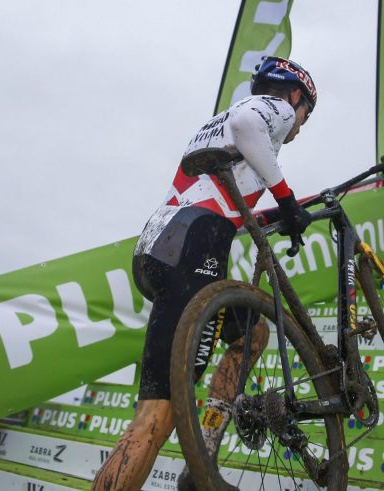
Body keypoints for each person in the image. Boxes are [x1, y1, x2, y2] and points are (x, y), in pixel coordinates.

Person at [91, 56, 317, 491]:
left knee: (251, 335)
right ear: (295, 95)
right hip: (196, 244)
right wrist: (288, 200)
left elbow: (220, 195)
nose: (300, 126)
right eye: (306, 113)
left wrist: (278, 213)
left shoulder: (216, 124)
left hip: (166, 240)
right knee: (156, 418)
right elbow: (254, 127)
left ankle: (205, 453)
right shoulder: (270, 108)